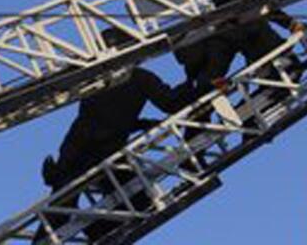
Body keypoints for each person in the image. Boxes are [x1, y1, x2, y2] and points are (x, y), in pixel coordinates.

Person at [36, 31, 193, 241]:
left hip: (76, 149)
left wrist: (142, 124)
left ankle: (91, 232)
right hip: (105, 151)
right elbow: (169, 103)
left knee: (60, 209)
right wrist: (194, 86)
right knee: (137, 201)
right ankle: (99, 232)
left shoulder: (95, 79)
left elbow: (105, 117)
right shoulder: (140, 78)